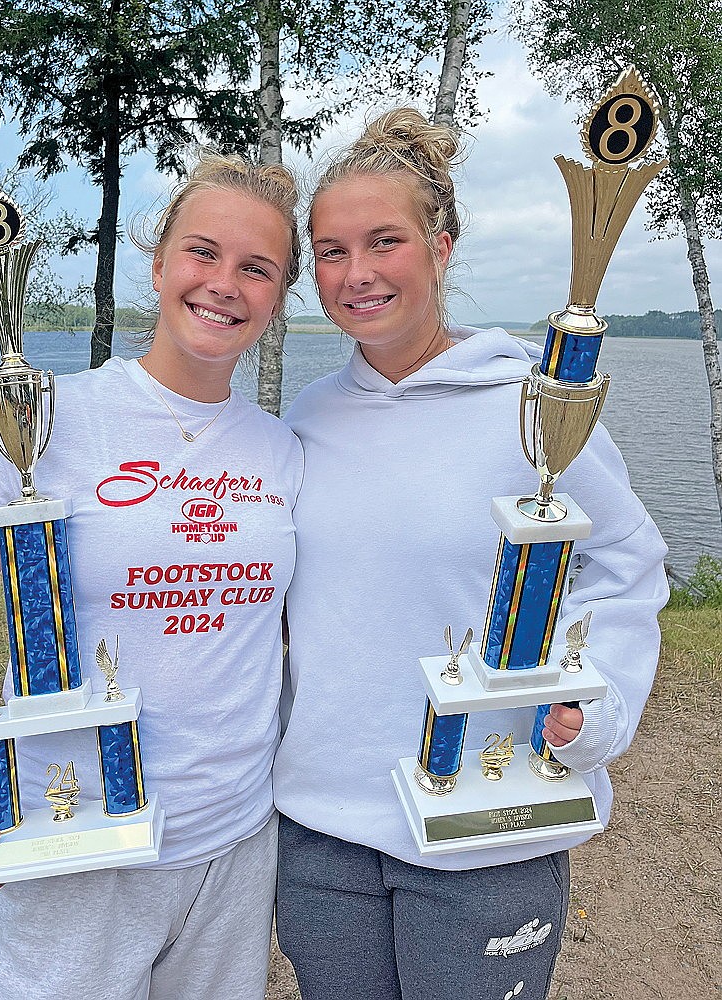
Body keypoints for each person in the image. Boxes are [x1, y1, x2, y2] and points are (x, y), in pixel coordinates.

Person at [273, 108, 668, 1000]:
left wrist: (590, 704)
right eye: (330, 251)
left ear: (440, 246)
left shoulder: (532, 408)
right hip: (321, 827)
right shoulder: (304, 421)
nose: (356, 274)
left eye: (384, 242)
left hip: (486, 825)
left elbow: (626, 563)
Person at [0, 153, 303, 1000]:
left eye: (255, 267)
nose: (223, 282)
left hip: (234, 840)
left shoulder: (281, 450)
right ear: (158, 263)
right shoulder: (48, 418)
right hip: (74, 831)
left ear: (277, 298)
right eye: (202, 252)